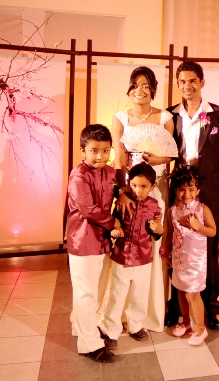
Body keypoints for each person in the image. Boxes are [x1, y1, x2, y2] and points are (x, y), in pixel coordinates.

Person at [166, 60, 219, 330]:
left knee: (209, 248)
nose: (187, 86)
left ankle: (212, 307)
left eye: (192, 81)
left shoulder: (218, 114)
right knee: (179, 247)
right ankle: (177, 306)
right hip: (180, 189)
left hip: (210, 190)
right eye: (182, 81)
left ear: (202, 82)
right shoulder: (170, 115)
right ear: (177, 83)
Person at [112, 66, 174, 332]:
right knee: (126, 242)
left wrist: (159, 159)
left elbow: (171, 154)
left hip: (157, 186)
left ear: (154, 90)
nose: (141, 90)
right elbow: (119, 159)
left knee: (153, 245)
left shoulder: (165, 118)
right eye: (136, 85)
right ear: (129, 88)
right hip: (130, 188)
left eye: (147, 86)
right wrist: (123, 192)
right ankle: (118, 313)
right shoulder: (119, 118)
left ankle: (148, 313)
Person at [66, 124, 120, 363]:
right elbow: (89, 210)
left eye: (105, 150)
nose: (100, 156)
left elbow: (121, 189)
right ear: (83, 151)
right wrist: (114, 222)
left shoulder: (109, 172)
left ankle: (82, 329)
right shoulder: (79, 175)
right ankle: (90, 344)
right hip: (83, 239)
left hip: (101, 241)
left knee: (90, 291)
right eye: (94, 151)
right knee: (86, 292)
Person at [99, 163, 164, 348]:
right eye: (134, 185)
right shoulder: (122, 201)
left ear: (152, 187)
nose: (138, 190)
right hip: (122, 256)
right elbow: (114, 220)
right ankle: (111, 329)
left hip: (143, 258)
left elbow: (157, 232)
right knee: (117, 294)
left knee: (140, 294)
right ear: (128, 183)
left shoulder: (154, 206)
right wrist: (115, 229)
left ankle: (135, 324)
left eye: (144, 187)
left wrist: (158, 229)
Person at [164, 166, 217, 346]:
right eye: (182, 189)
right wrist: (166, 254)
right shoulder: (172, 210)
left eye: (191, 189)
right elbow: (169, 233)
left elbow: (212, 231)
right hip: (179, 259)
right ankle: (186, 322)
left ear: (198, 190)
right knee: (180, 290)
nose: (186, 193)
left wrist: (198, 226)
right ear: (176, 190)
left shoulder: (202, 209)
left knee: (193, 294)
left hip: (195, 261)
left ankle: (201, 329)